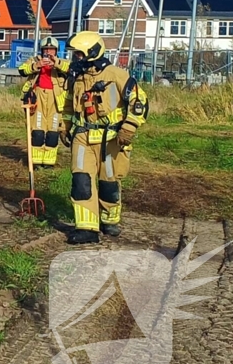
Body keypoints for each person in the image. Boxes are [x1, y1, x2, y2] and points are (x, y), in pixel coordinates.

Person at [60, 32, 148, 244]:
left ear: (92, 53)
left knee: (109, 181)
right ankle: (87, 228)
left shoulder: (116, 75)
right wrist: (65, 126)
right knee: (81, 181)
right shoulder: (76, 78)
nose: (76, 59)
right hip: (82, 136)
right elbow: (69, 104)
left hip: (111, 138)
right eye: (75, 55)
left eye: (79, 54)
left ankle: (109, 220)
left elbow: (139, 101)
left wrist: (129, 126)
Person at [18, 36, 70, 167]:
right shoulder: (34, 60)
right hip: (38, 96)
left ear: (56, 51)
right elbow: (22, 70)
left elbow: (71, 70)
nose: (48, 52)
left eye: (51, 49)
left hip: (55, 99)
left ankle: (49, 162)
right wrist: (36, 65)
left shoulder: (62, 62)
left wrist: (56, 64)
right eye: (46, 49)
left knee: (53, 131)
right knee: (38, 131)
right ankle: (35, 161)